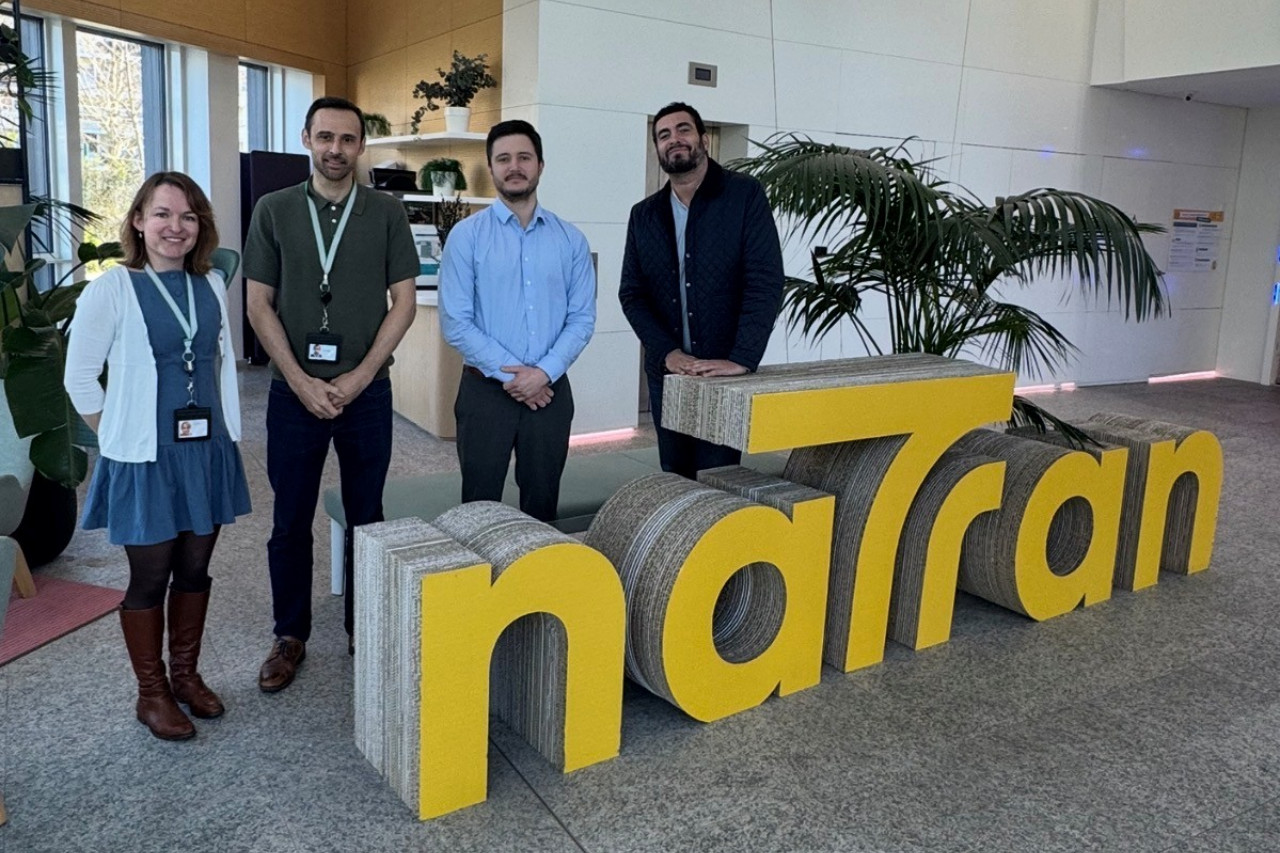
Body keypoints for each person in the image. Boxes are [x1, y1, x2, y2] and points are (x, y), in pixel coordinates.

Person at [64, 171, 251, 741]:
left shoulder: (210, 285)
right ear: (139, 222)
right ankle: (151, 693)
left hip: (204, 452)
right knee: (149, 578)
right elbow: (78, 378)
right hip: (145, 460)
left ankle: (186, 676)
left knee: (195, 569)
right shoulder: (112, 289)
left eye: (188, 216)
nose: (176, 227)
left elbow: (216, 364)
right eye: (163, 214)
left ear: (201, 227)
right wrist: (116, 438)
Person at [244, 96, 418, 692]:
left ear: (361, 145)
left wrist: (360, 376)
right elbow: (258, 304)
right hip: (293, 395)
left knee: (368, 516)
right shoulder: (273, 209)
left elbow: (404, 302)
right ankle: (289, 634)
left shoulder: (386, 212)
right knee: (290, 519)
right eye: (325, 137)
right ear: (306, 139)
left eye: (347, 139)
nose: (336, 149)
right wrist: (300, 380)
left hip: (366, 395)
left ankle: (362, 626)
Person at [438, 119, 595, 522]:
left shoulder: (571, 240)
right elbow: (456, 322)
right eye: (503, 159)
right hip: (484, 393)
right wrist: (517, 377)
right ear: (491, 167)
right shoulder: (466, 237)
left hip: (549, 392)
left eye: (524, 157)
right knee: (479, 508)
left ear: (540, 165)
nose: (514, 167)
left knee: (542, 506)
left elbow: (581, 319)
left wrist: (542, 373)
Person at [620, 102, 785, 478]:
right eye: (663, 135)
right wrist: (667, 352)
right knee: (675, 475)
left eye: (683, 129)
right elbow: (632, 294)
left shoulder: (744, 196)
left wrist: (742, 358)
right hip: (668, 376)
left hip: (723, 374)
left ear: (703, 139)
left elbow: (765, 280)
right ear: (657, 148)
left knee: (718, 476)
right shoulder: (644, 215)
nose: (674, 139)